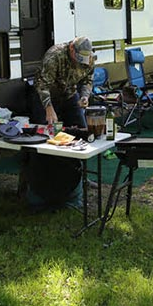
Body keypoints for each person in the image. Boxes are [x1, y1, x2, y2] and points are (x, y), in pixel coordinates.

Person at [23, 36, 97, 212]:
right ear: (72, 49)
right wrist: (48, 108)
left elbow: (87, 80)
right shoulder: (54, 55)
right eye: (78, 57)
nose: (82, 61)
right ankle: (36, 183)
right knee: (43, 138)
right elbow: (42, 84)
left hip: (70, 96)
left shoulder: (89, 57)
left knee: (81, 134)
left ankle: (80, 178)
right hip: (46, 97)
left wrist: (85, 96)